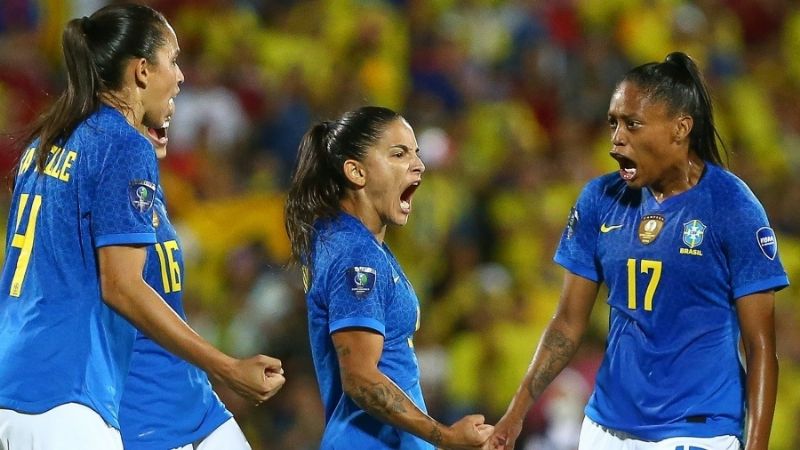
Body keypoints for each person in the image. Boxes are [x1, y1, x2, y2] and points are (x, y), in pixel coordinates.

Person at [0, 5, 283, 449]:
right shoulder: (122, 143)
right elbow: (122, 285)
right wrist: (227, 367)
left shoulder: (45, 143)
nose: (181, 76)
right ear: (142, 70)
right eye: (173, 60)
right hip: (69, 393)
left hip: (15, 383)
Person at [489, 51, 788, 450]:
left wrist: (757, 445)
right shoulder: (600, 199)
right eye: (613, 122)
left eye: (632, 124)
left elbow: (761, 346)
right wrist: (516, 411)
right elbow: (567, 323)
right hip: (606, 427)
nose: (617, 138)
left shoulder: (732, 207)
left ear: (680, 128)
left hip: (696, 430)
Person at [284, 106, 493, 449]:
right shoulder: (357, 256)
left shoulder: (350, 241)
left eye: (416, 153)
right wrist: (446, 436)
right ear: (356, 171)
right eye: (399, 154)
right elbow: (360, 378)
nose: (418, 165)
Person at [116, 123, 255, 449]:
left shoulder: (152, 190)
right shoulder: (107, 196)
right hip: (144, 410)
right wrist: (227, 367)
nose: (170, 110)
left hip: (195, 396)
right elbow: (122, 290)